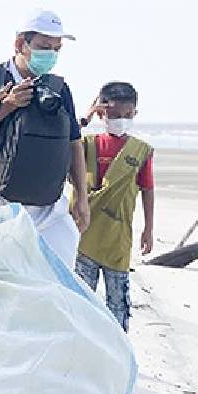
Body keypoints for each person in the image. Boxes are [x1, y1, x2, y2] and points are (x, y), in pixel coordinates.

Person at [0, 9, 90, 267]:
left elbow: (74, 142)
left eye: (56, 49)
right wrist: (4, 107)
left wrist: (82, 197)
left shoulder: (59, 88)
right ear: (20, 44)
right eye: (43, 47)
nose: (50, 54)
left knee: (58, 271)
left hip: (49, 204)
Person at [74, 82, 154, 331]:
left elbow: (148, 190)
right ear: (101, 113)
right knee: (80, 301)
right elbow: (63, 137)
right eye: (115, 115)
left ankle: (118, 355)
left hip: (118, 238)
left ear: (135, 114)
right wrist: (85, 117)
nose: (121, 120)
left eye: (128, 116)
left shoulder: (140, 151)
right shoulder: (85, 144)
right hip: (82, 235)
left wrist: (149, 229)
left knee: (118, 305)